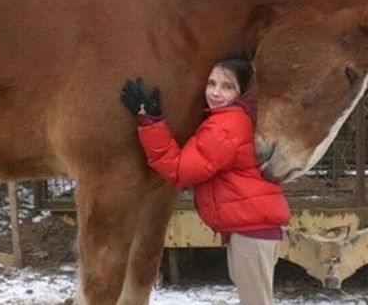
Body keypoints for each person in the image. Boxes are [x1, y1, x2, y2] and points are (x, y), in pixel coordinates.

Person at [120, 56, 291, 305]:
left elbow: (179, 170)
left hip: (251, 230)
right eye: (212, 83)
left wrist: (151, 122)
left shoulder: (226, 126)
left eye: (227, 86)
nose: (216, 93)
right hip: (251, 227)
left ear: (241, 92)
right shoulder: (233, 119)